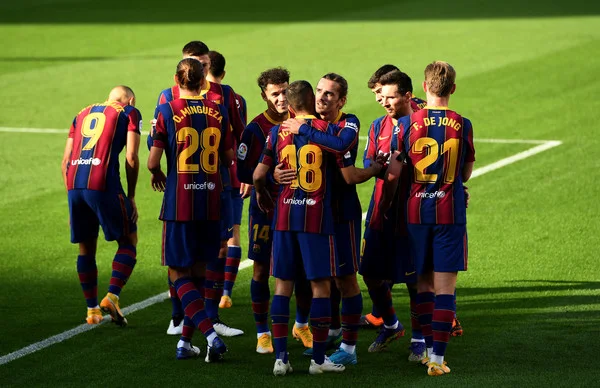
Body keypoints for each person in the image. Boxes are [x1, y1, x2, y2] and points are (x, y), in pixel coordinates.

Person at [277, 73, 384, 366]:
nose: (322, 98)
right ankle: (326, 340)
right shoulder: (309, 124)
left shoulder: (348, 123)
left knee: (346, 280)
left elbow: (339, 145)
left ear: (342, 100)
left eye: (329, 94)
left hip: (340, 215)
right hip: (312, 215)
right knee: (320, 281)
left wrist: (304, 128)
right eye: (320, 91)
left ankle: (349, 350)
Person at [383, 61, 474, 376]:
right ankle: (437, 359)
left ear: (424, 87)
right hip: (449, 211)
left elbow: (395, 172)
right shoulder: (463, 124)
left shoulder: (407, 124)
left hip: (416, 211)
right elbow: (464, 172)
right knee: (445, 288)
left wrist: (391, 203)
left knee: (422, 283)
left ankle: (421, 347)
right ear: (453, 89)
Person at [151, 41, 244, 337]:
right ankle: (179, 317)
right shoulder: (172, 99)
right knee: (193, 259)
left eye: (204, 63)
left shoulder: (223, 95)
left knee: (203, 255)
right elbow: (232, 150)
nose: (202, 69)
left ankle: (208, 321)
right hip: (210, 191)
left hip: (196, 193)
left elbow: (239, 141)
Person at [253, 80, 345, 376]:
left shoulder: (274, 132)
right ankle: (318, 360)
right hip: (316, 218)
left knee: (282, 286)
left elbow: (258, 176)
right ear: (312, 101)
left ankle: (281, 358)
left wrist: (267, 195)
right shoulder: (327, 130)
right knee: (321, 287)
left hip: (284, 217)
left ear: (290, 107)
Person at [236, 67, 313, 354]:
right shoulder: (255, 129)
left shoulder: (303, 122)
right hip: (266, 208)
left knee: (304, 271)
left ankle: (302, 324)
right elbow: (244, 171)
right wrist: (270, 178)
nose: (281, 98)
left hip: (299, 207)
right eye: (275, 94)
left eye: (284, 91)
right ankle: (263, 332)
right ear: (264, 96)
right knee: (260, 270)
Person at [61, 85, 141, 327]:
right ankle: (112, 296)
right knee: (129, 240)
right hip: (103, 182)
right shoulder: (129, 112)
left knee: (86, 249)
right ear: (131, 99)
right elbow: (131, 157)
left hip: (75, 184)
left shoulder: (81, 113)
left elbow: (65, 160)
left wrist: (71, 200)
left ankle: (92, 310)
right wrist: (132, 195)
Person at [206, 50, 247, 310]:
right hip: (231, 173)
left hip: (199, 176)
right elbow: (243, 137)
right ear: (223, 72)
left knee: (203, 234)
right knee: (232, 234)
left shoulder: (182, 97)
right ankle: (225, 293)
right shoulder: (235, 97)